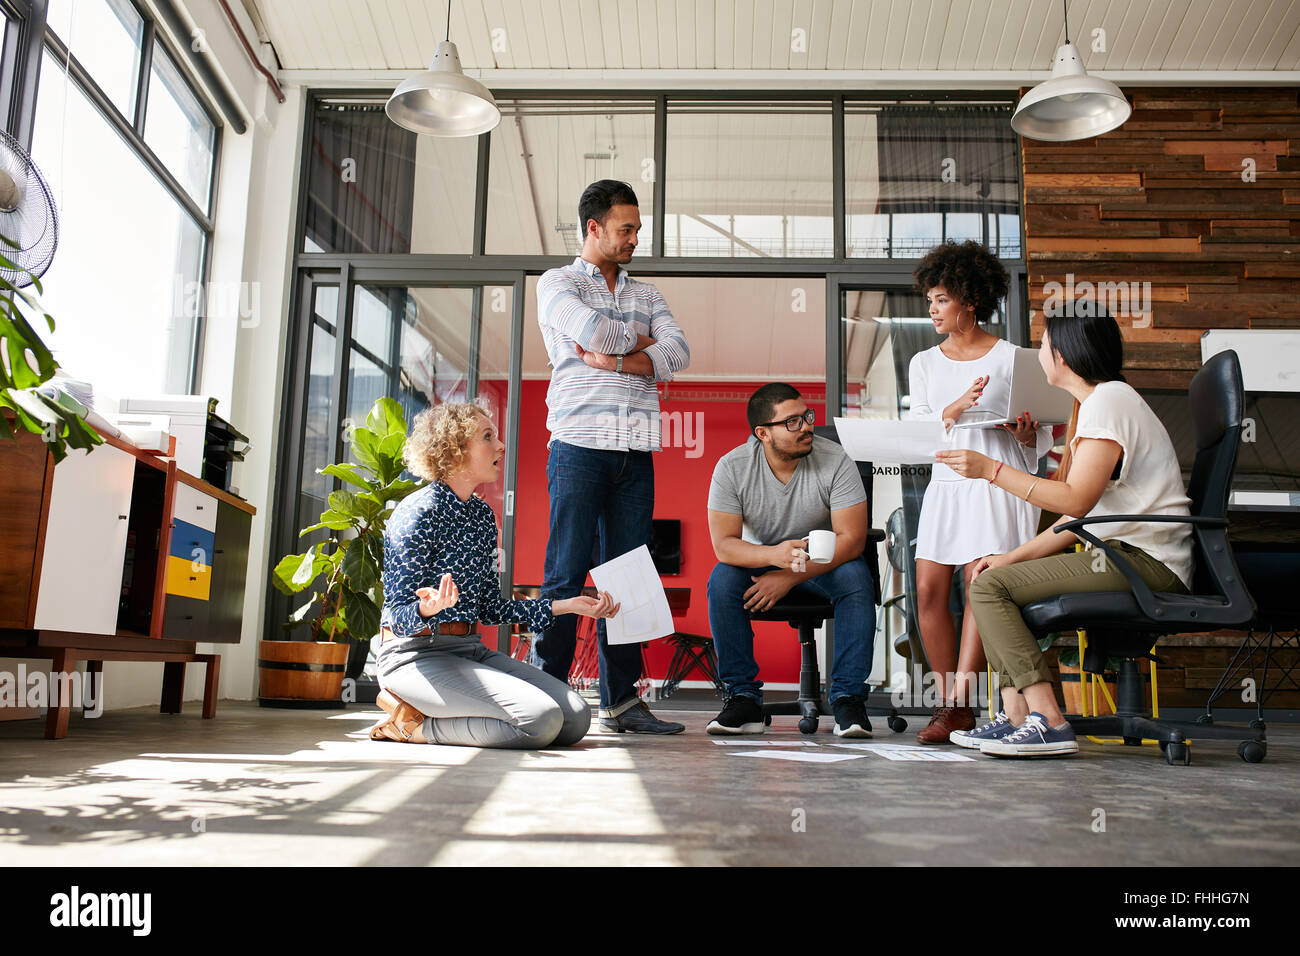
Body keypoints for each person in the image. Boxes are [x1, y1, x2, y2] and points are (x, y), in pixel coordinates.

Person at [936, 309, 1193, 758]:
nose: (1039, 352)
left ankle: (1049, 721)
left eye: (1044, 343)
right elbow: (1070, 519)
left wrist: (991, 470)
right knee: (988, 576)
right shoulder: (1097, 404)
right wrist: (1011, 557)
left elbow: (1073, 500)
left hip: (1144, 563)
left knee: (991, 588)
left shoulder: (1109, 401)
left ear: (1065, 354)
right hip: (1120, 555)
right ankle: (1016, 715)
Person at [534, 179, 691, 734]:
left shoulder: (647, 293)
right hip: (578, 446)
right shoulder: (556, 283)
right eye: (625, 230)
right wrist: (642, 343)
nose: (633, 241)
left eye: (637, 231)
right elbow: (592, 329)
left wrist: (616, 361)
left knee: (628, 579)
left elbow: (679, 352)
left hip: (636, 451)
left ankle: (622, 702)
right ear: (593, 228)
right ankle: (545, 693)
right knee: (565, 573)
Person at [371, 402, 621, 749]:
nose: (501, 446)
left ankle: (432, 715)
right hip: (415, 656)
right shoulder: (417, 513)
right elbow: (397, 616)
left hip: (468, 649)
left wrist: (566, 606)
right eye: (488, 437)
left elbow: (490, 608)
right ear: (454, 450)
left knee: (576, 716)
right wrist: (427, 610)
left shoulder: (482, 517)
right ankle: (413, 727)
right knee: (541, 720)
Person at [906, 240, 1055, 744]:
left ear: (969, 300)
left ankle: (958, 706)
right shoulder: (924, 363)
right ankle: (952, 699)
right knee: (927, 590)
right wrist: (950, 410)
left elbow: (1042, 437)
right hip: (947, 485)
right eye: (929, 300)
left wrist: (1027, 434)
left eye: (941, 299)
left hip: (998, 481)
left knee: (978, 586)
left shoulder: (1016, 359)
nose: (932, 309)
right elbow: (918, 436)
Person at [705, 383, 877, 738]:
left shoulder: (835, 461)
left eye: (808, 416)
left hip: (821, 564)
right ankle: (743, 699)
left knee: (856, 577)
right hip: (762, 559)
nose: (808, 426)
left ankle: (848, 699)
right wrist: (774, 558)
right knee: (722, 580)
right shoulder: (731, 468)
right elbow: (724, 545)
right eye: (794, 422)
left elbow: (852, 540)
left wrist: (788, 577)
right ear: (763, 433)